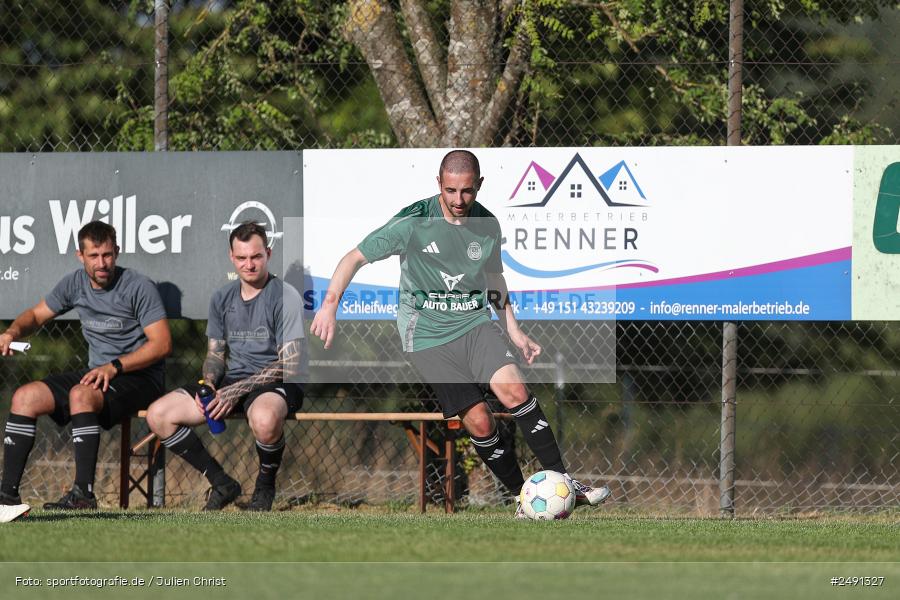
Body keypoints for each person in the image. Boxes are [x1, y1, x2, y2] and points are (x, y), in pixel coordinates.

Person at [310, 150, 611, 516]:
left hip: (474, 323)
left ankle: (565, 482)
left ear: (479, 186)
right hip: (426, 337)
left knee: (515, 391)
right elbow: (352, 258)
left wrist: (512, 328)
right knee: (480, 420)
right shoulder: (414, 222)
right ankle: (524, 499)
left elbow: (494, 278)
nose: (458, 200)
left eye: (466, 191)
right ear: (439, 184)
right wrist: (329, 305)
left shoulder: (487, 224)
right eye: (450, 190)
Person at [0, 221, 171, 510]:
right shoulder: (73, 283)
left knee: (80, 394)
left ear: (117, 252)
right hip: (98, 373)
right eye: (94, 256)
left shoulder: (139, 286)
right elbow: (36, 315)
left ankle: (83, 495)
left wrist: (114, 366)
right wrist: (12, 332)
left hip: (139, 378)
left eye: (107, 255)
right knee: (24, 397)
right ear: (81, 256)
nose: (102, 263)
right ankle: (7, 498)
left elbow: (162, 344)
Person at [145, 221, 306, 512]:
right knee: (159, 415)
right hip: (232, 380)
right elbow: (216, 355)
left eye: (256, 256)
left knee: (265, 420)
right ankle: (222, 483)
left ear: (268, 253)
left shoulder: (286, 296)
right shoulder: (222, 297)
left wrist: (234, 392)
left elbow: (290, 363)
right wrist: (208, 385)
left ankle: (264, 489)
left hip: (278, 382)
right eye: (242, 258)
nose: (250, 264)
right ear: (232, 258)